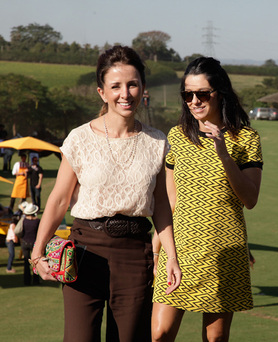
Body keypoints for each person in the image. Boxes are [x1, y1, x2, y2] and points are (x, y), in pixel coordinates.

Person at [30, 45, 181, 342]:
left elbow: (162, 206)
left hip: (135, 255)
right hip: (84, 252)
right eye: (116, 86)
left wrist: (171, 257)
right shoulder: (80, 138)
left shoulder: (157, 142)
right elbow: (60, 199)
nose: (125, 94)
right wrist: (37, 251)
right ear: (102, 92)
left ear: (143, 88)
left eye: (132, 84)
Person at [151, 57, 263, 342]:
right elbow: (170, 201)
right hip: (179, 250)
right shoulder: (176, 136)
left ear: (219, 93)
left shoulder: (246, 138)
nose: (194, 101)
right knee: (159, 333)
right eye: (187, 94)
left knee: (214, 339)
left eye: (202, 94)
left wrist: (224, 155)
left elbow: (250, 199)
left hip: (223, 252)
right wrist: (156, 250)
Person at [21, 203, 40, 285]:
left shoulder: (24, 220)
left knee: (26, 262)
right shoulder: (37, 221)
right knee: (35, 262)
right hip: (34, 243)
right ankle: (36, 280)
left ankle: (26, 281)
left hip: (24, 243)